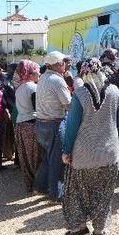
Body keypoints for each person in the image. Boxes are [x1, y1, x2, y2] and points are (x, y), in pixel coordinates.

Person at [61, 58, 119, 235]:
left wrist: (66, 150)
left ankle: (79, 227)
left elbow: (71, 126)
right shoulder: (115, 92)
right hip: (110, 153)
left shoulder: (80, 94)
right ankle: (99, 230)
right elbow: (118, 121)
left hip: (83, 154)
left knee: (77, 191)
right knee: (104, 192)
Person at [35, 51, 72, 202]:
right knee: (57, 160)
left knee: (48, 159)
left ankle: (39, 187)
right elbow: (68, 104)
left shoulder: (43, 77)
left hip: (41, 123)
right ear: (57, 65)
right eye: (63, 63)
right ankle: (56, 195)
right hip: (54, 124)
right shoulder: (57, 80)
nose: (65, 65)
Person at [14, 59, 42, 193]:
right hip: (31, 124)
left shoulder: (19, 87)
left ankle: (29, 184)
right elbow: (38, 107)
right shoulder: (32, 87)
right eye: (37, 71)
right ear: (30, 73)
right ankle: (38, 185)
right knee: (35, 157)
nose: (39, 73)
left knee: (25, 157)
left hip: (21, 124)